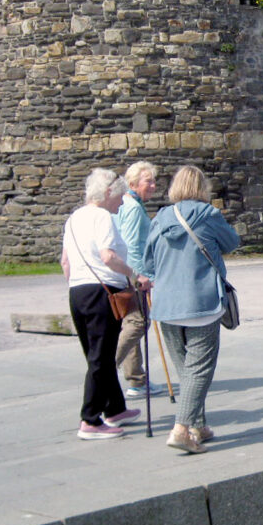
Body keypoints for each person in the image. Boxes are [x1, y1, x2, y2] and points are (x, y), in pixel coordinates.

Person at [143, 165, 240, 454]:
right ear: (202, 188)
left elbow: (148, 264)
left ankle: (198, 425)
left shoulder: (160, 218)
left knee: (186, 369)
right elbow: (232, 242)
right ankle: (182, 429)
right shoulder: (208, 215)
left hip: (166, 304)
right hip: (202, 302)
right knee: (199, 369)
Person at [61, 168, 147, 440]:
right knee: (100, 356)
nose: (122, 202)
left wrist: (76, 285)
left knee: (98, 354)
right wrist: (134, 275)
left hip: (78, 291)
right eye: (120, 196)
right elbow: (108, 256)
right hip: (102, 291)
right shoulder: (102, 217)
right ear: (108, 193)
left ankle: (114, 408)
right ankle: (90, 419)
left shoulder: (74, 218)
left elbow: (65, 261)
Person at [112, 161, 165, 397]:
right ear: (133, 183)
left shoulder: (127, 203)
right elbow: (131, 245)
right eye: (149, 181)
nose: (153, 186)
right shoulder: (132, 207)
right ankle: (110, 367)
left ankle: (136, 379)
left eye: (154, 181)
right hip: (134, 276)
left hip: (127, 274)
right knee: (138, 323)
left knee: (132, 323)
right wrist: (139, 276)